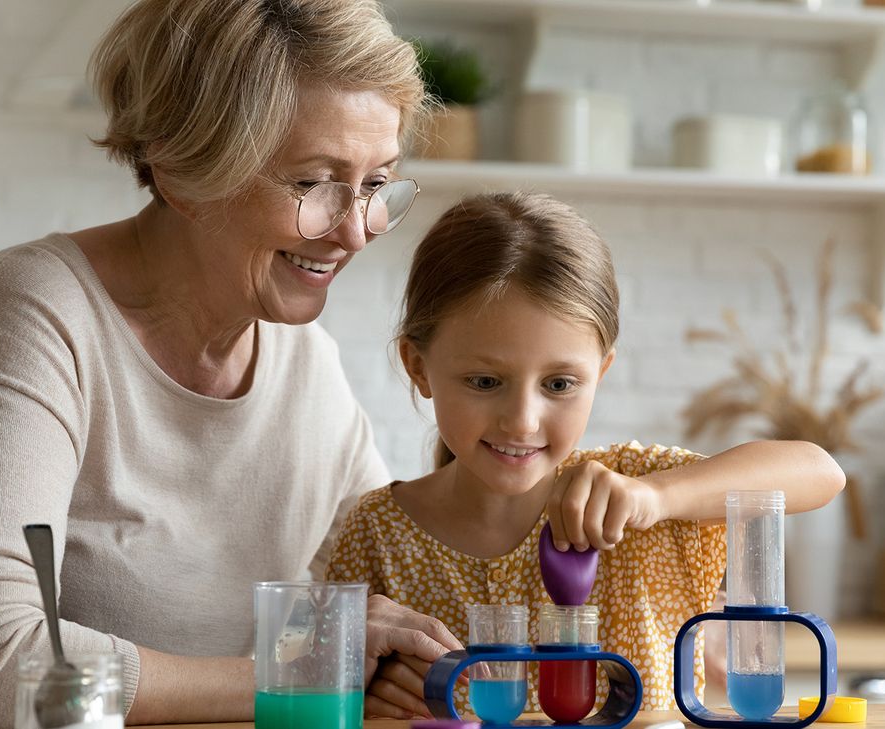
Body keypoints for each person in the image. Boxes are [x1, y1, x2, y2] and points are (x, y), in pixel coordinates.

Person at [0, 1, 463, 726]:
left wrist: (570, 498)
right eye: (312, 183)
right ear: (182, 170)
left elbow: (394, 581)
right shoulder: (33, 317)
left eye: (375, 184)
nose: (357, 231)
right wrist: (296, 670)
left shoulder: (308, 366)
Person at [326, 192, 846, 718]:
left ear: (600, 371)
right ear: (418, 366)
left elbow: (820, 471)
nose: (523, 420)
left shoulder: (640, 496)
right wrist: (364, 693)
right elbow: (331, 683)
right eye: (485, 381)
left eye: (559, 383)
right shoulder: (377, 535)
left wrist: (657, 496)